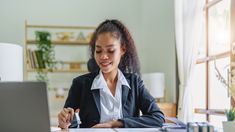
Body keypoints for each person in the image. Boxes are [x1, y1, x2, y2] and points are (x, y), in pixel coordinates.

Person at [58, 19, 165, 129]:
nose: (103, 56)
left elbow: (157, 117)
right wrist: (64, 122)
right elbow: (70, 124)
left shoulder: (134, 82)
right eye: (98, 51)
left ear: (122, 50)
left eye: (110, 50)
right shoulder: (80, 84)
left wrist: (116, 123)